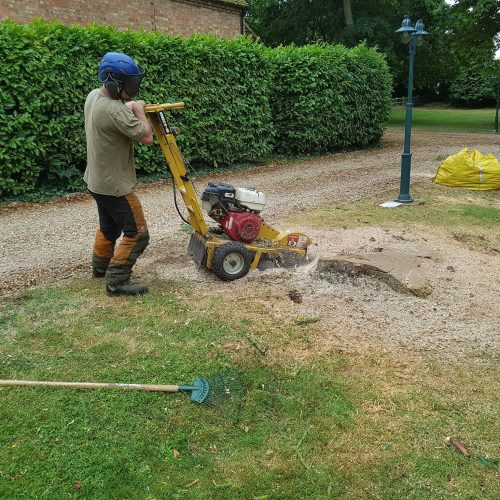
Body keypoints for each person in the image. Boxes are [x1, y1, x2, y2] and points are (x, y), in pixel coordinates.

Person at [84, 52, 154, 296]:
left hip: (95, 181)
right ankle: (117, 281)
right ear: (114, 83)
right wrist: (139, 109)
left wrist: (127, 106)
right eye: (129, 84)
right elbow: (146, 137)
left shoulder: (94, 96)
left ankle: (100, 267)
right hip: (115, 186)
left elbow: (113, 111)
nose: (133, 89)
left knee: (109, 228)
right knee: (138, 233)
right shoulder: (116, 111)